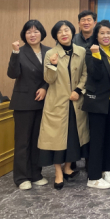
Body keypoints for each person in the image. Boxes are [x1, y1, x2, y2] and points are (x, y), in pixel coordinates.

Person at [39, 20, 89, 190]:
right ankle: (58, 172)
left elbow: (85, 74)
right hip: (57, 103)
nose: (63, 34)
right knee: (57, 139)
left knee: (73, 138)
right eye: (59, 32)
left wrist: (79, 90)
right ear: (56, 36)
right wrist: (52, 65)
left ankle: (68, 168)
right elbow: (48, 79)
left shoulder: (81, 51)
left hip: (75, 102)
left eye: (66, 30)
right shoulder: (50, 53)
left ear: (72, 32)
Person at [7, 20, 51, 190]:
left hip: (43, 102)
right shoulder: (20, 51)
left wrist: (45, 87)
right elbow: (13, 74)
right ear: (24, 35)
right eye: (29, 32)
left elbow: (53, 75)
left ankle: (35, 174)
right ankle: (21, 177)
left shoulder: (49, 51)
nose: (32, 35)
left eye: (36, 31)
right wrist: (14, 53)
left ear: (42, 33)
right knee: (22, 142)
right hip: (24, 103)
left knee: (37, 141)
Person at [82, 20, 110, 189]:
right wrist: (96, 55)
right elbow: (96, 75)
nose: (106, 36)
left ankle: (106, 170)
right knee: (97, 139)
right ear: (96, 36)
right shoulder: (91, 51)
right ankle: (93, 177)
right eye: (102, 33)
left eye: (108, 33)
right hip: (98, 102)